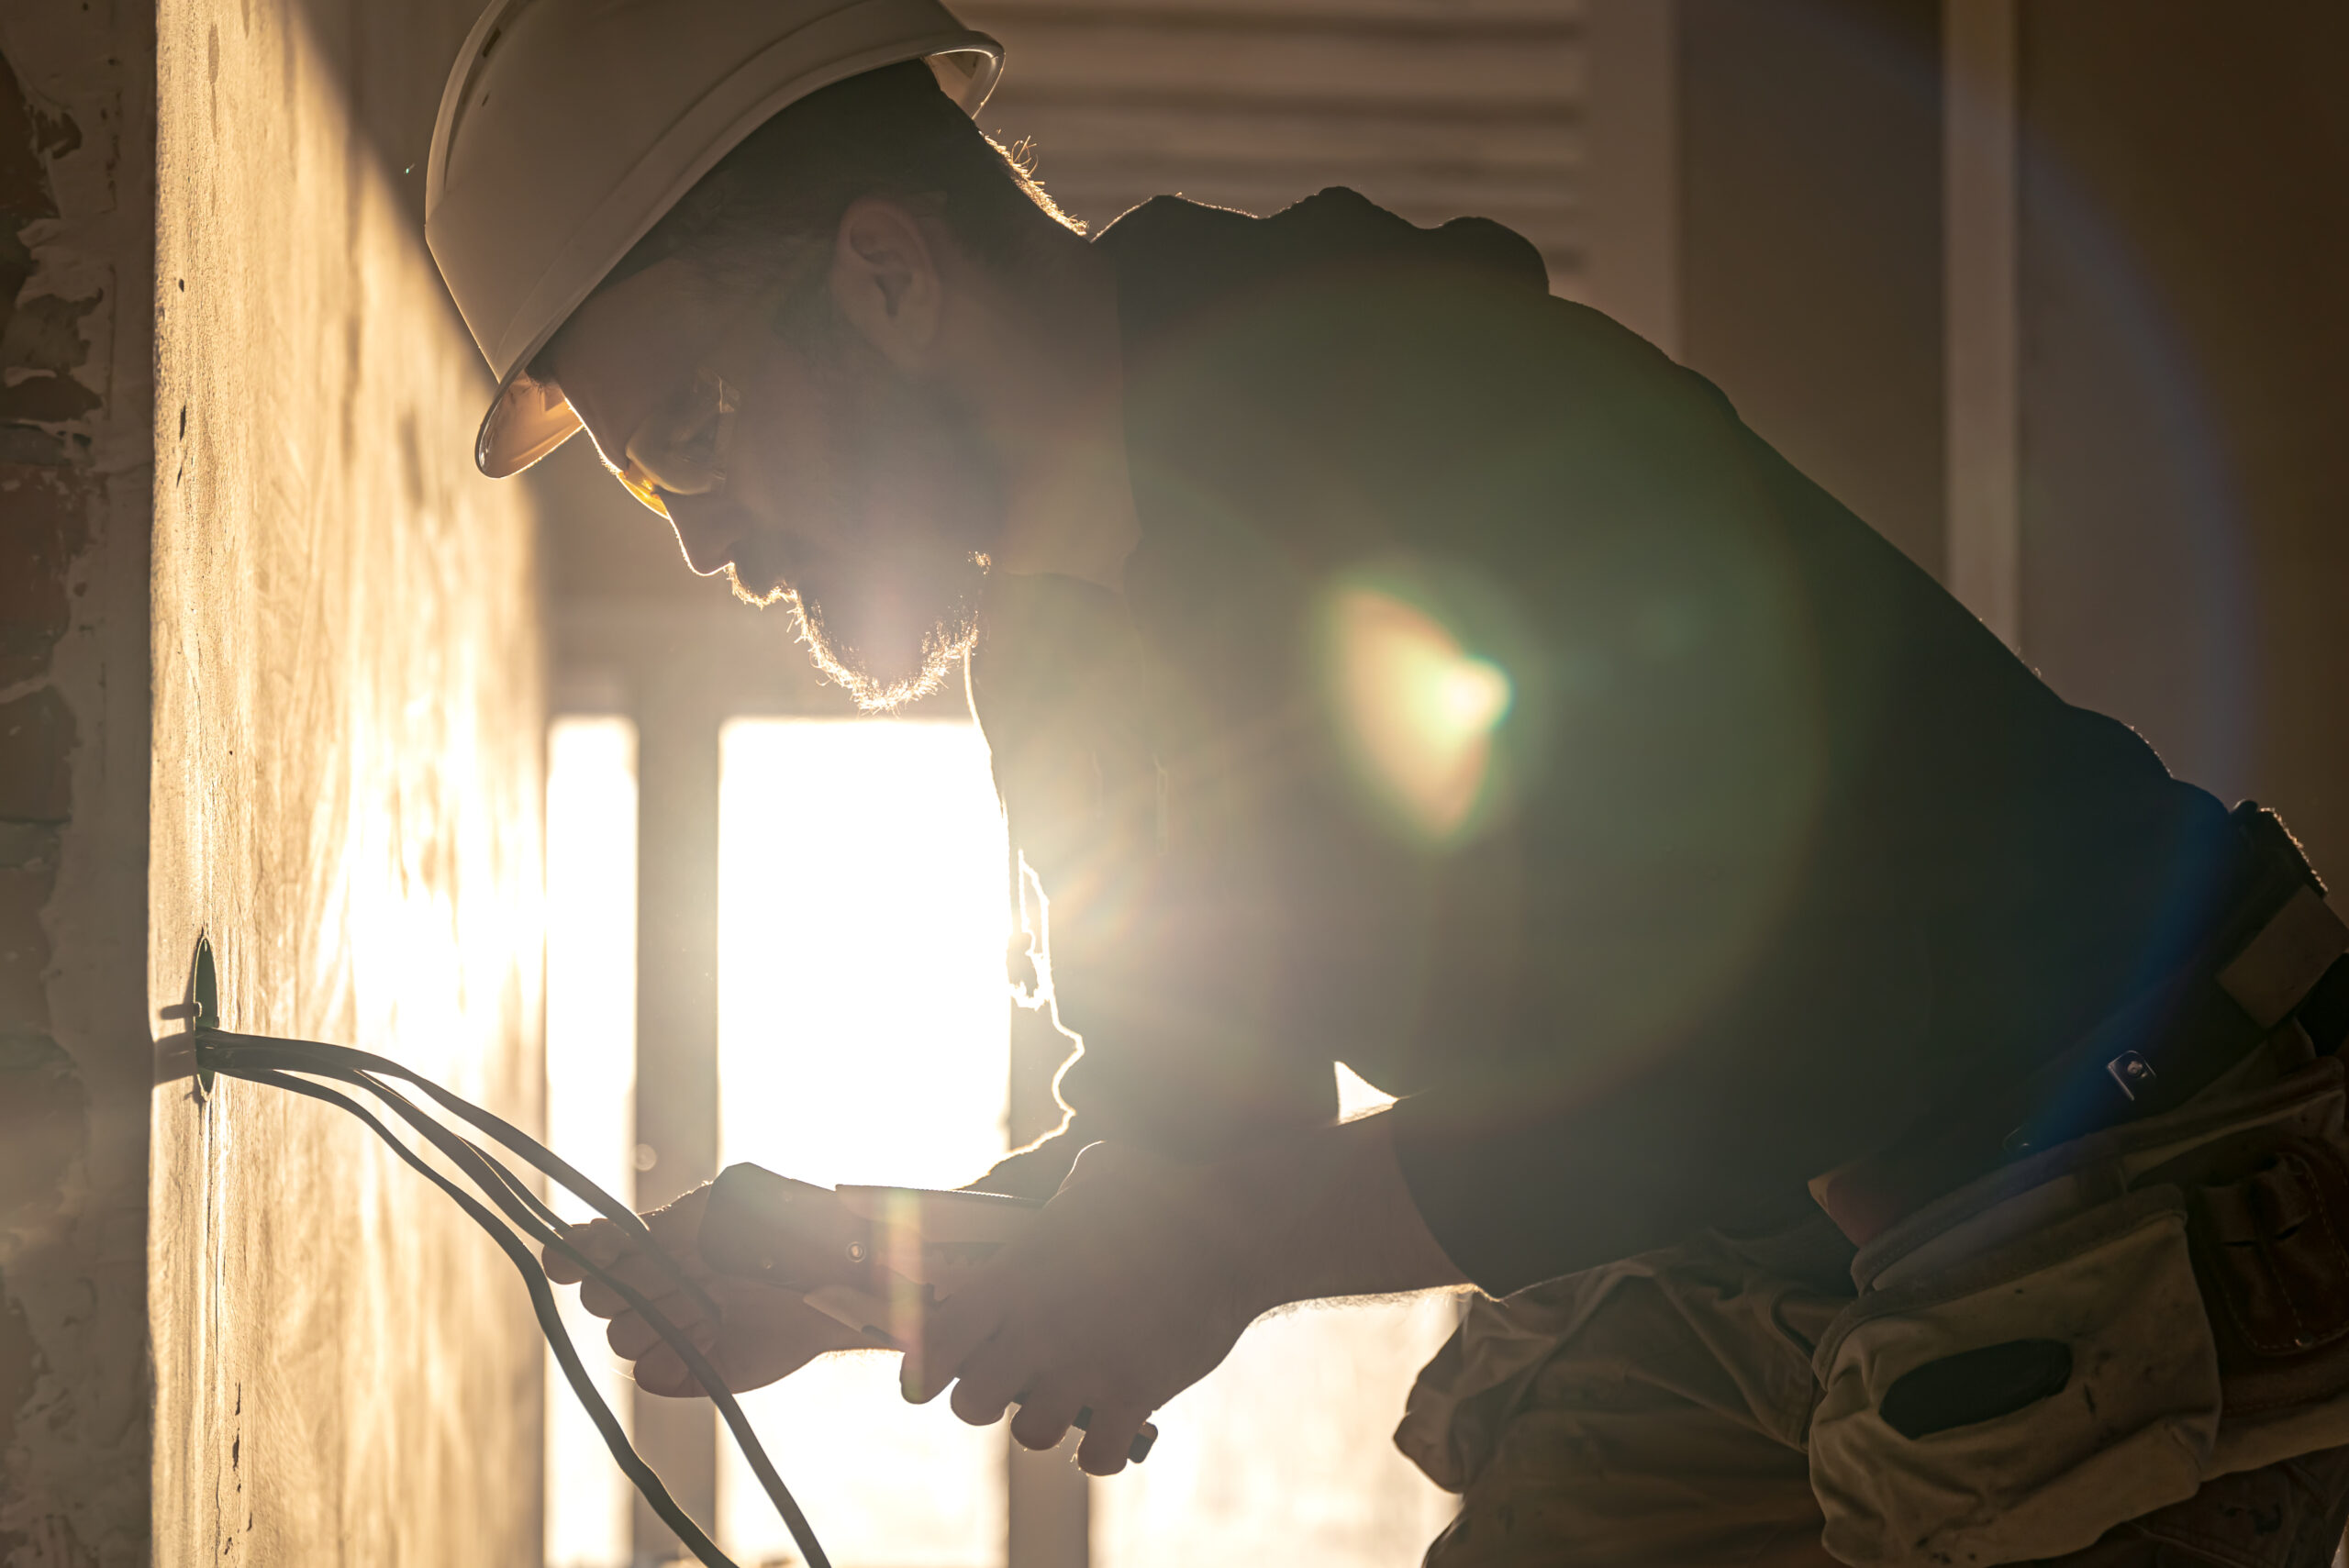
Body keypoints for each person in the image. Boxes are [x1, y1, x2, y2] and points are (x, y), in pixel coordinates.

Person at [439, 45, 2349, 1568]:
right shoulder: (1055, 667)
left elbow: (1798, 1029)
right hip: (1779, 1237)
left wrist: (1214, 1247)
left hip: (2138, 1161)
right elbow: (1193, 1156)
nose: (693, 533)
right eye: (635, 478)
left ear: (885, 273)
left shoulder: (1413, 409)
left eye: (685, 425)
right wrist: (859, 1263)